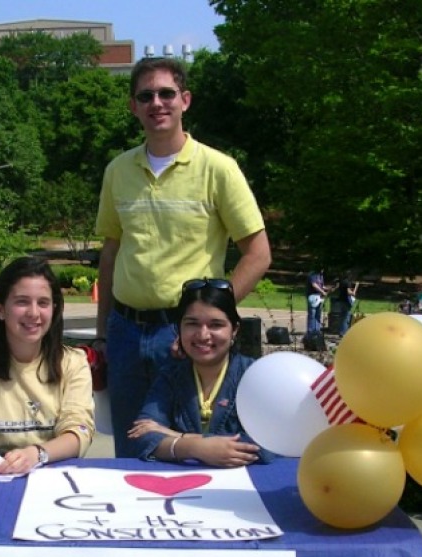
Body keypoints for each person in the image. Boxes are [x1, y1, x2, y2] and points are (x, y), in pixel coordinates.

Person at [94, 56, 272, 458]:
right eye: (145, 95)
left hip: (185, 337)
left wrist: (205, 321)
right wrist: (104, 333)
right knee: (131, 449)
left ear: (185, 100)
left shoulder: (218, 168)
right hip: (125, 332)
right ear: (133, 106)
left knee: (188, 451)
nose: (157, 102)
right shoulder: (117, 170)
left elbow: (258, 255)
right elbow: (111, 253)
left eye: (166, 93)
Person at [0, 256, 95, 476]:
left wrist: (37, 454)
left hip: (53, 478)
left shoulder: (73, 362)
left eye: (42, 303)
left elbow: (79, 432)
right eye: (22, 302)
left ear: (54, 309)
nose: (33, 313)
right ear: (0, 309)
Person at [127, 278, 273, 467]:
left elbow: (266, 446)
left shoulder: (255, 376)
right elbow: (141, 437)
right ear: (178, 328)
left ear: (234, 330)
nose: (203, 335)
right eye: (192, 324)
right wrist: (195, 448)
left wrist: (180, 437)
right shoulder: (170, 376)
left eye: (215, 325)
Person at [305, 268, 328, 334]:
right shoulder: (313, 274)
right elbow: (314, 285)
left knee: (318, 315)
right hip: (312, 296)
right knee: (312, 315)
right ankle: (310, 331)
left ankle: (317, 331)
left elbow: (322, 286)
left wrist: (329, 288)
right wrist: (322, 291)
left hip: (319, 297)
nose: (323, 270)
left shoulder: (321, 276)